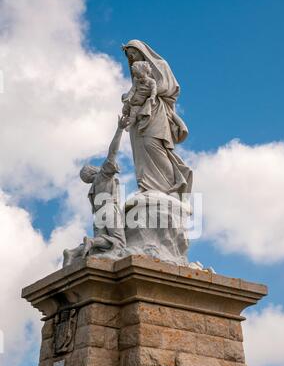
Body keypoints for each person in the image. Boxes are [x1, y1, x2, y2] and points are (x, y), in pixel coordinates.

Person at [122, 40, 193, 196]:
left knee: (153, 145)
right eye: (129, 56)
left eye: (133, 53)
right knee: (141, 149)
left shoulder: (161, 65)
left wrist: (148, 93)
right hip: (139, 115)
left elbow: (172, 88)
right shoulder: (137, 78)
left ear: (141, 50)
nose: (132, 58)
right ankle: (147, 186)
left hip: (156, 110)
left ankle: (174, 182)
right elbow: (133, 93)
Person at [63, 115, 129, 267]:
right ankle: (91, 241)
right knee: (119, 243)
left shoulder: (93, 189)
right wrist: (119, 129)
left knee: (99, 249)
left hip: (98, 215)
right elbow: (112, 152)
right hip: (109, 210)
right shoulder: (103, 175)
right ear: (93, 171)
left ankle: (73, 253)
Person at [122, 61, 157, 131]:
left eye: (140, 76)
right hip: (131, 100)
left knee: (133, 115)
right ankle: (125, 112)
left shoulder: (151, 81)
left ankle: (130, 125)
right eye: (137, 76)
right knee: (124, 104)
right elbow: (133, 90)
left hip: (137, 104)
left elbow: (154, 90)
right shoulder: (136, 80)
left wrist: (152, 97)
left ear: (146, 72)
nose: (139, 79)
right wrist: (128, 97)